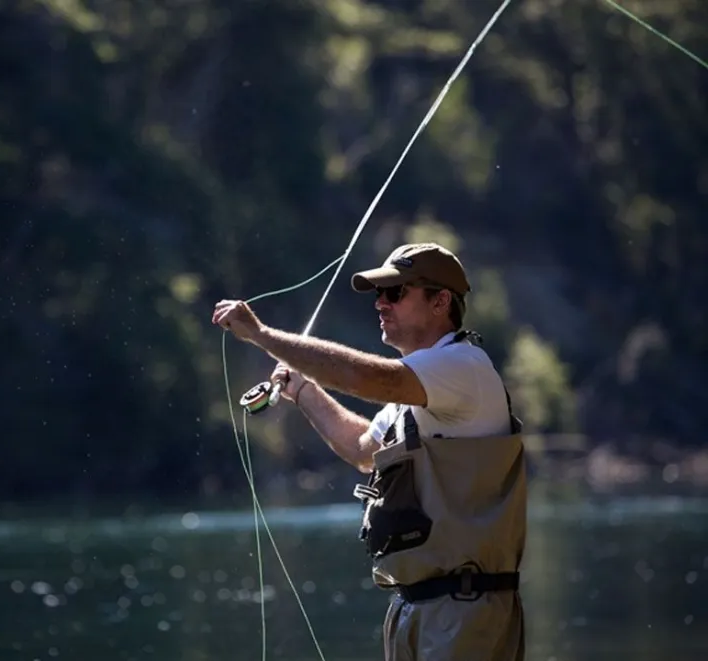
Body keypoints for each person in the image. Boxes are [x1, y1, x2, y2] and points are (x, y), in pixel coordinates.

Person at [212, 242, 526, 661]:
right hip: (415, 606)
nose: (381, 303)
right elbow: (363, 450)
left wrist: (263, 336)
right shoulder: (419, 387)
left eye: (396, 292)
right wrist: (303, 391)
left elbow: (366, 376)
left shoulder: (463, 367)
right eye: (380, 294)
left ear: (441, 301)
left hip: (464, 609)